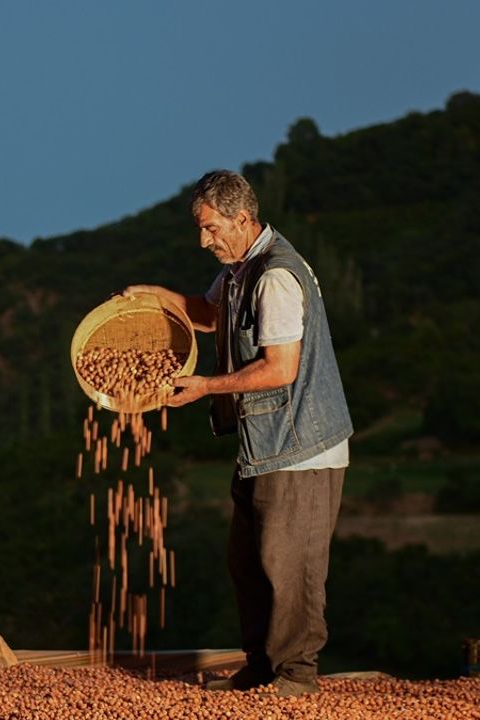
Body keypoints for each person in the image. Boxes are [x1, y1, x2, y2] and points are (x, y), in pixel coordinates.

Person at [125, 170, 353, 697]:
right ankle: (260, 667)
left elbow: (280, 369)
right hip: (262, 443)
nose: (204, 241)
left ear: (243, 219)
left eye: (210, 229)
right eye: (200, 229)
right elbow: (207, 314)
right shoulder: (238, 270)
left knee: (288, 564)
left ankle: (295, 677)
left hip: (300, 446)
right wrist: (158, 297)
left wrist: (205, 386)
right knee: (248, 561)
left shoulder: (274, 275)